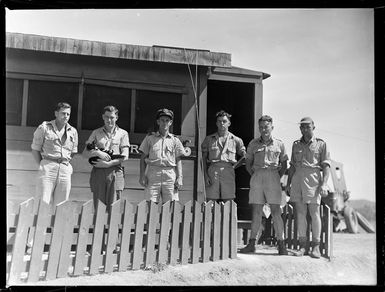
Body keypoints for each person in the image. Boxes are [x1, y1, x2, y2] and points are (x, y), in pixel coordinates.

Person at [240, 115, 288, 255]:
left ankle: (281, 244)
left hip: (273, 176)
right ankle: (252, 243)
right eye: (261, 127)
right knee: (256, 211)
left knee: (276, 211)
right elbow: (248, 164)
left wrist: (275, 177)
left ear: (272, 127)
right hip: (257, 176)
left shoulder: (279, 144)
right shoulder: (253, 144)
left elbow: (284, 164)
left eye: (266, 127)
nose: (263, 129)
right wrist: (256, 176)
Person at [285, 117, 331, 259]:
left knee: (314, 212)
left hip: (313, 178)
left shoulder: (321, 144)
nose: (305, 129)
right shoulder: (296, 144)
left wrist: (324, 184)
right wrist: (288, 183)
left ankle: (316, 246)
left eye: (308, 127)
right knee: (300, 213)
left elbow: (326, 166)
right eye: (302, 127)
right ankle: (303, 245)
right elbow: (292, 166)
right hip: (298, 178)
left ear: (313, 127)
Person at [31, 102, 78, 210]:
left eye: (68, 114)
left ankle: (57, 227)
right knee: (43, 201)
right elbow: (35, 149)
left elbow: (73, 152)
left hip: (64, 169)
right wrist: (44, 165)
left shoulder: (73, 131)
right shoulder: (44, 127)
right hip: (48, 166)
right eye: (63, 113)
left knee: (62, 204)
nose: (66, 116)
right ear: (56, 113)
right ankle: (40, 226)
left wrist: (63, 163)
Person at [82, 105, 130, 210]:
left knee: (114, 207)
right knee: (99, 208)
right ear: (103, 117)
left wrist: (108, 164)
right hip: (98, 171)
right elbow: (85, 153)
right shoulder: (96, 133)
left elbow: (125, 156)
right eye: (107, 117)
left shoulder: (123, 134)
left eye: (112, 117)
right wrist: (98, 153)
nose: (109, 120)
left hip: (115, 171)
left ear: (116, 118)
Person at [139, 108, 185, 203]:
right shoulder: (150, 138)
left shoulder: (175, 140)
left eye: (167, 120)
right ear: (158, 122)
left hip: (169, 174)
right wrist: (142, 175)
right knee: (150, 204)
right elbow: (143, 158)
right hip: (153, 173)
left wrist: (180, 178)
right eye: (162, 120)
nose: (165, 123)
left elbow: (178, 160)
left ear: (170, 122)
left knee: (171, 204)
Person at [201, 110, 246, 202]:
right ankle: (210, 217)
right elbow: (203, 159)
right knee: (210, 201)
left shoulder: (236, 140)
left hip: (228, 171)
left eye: (224, 121)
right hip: (213, 171)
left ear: (229, 123)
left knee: (229, 201)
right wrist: (205, 176)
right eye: (219, 121)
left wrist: (234, 166)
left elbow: (245, 156)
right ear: (216, 123)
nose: (222, 123)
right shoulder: (209, 139)